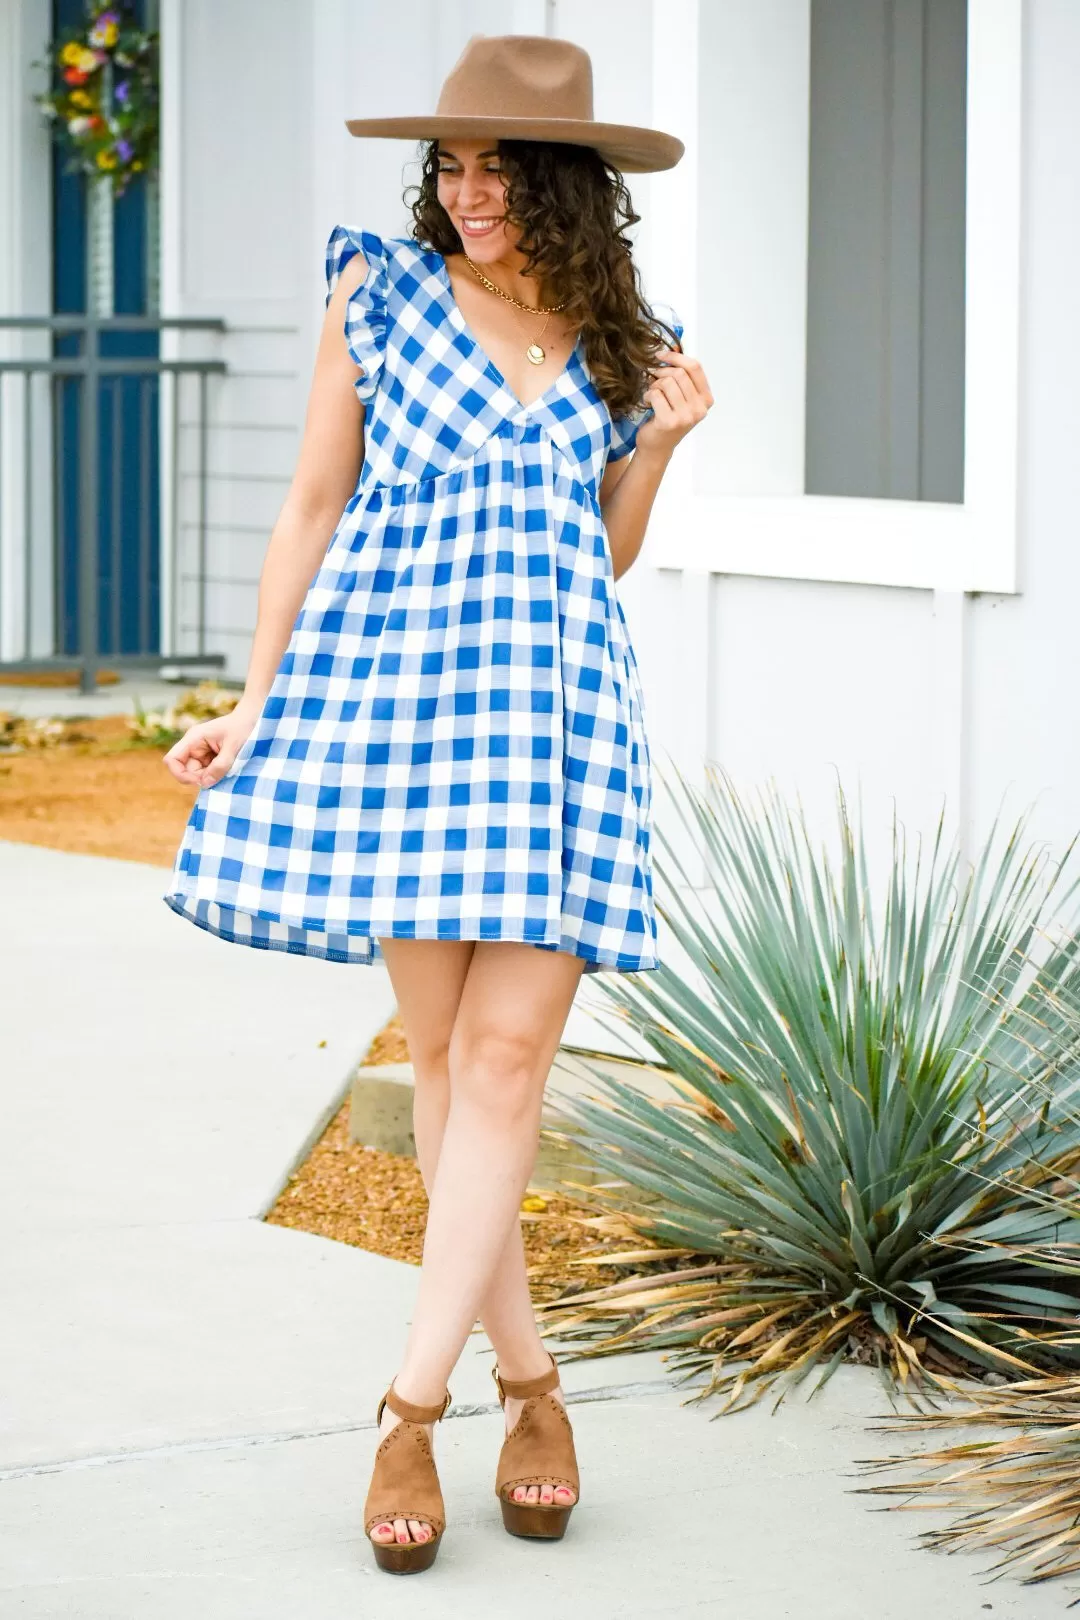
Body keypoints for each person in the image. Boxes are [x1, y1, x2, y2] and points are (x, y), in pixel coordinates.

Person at [161, 32, 711, 1575]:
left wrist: (656, 447)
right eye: (450, 167)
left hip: (552, 722)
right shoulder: (380, 295)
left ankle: (409, 1410)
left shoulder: (628, 346)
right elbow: (312, 506)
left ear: (568, 182)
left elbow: (589, 556)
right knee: (459, 1075)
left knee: (510, 1057)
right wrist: (254, 700)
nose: (466, 194)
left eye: (499, 168)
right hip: (401, 711)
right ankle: (531, 1389)